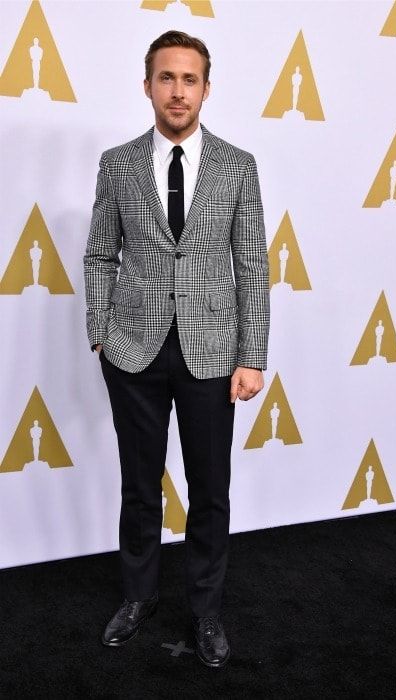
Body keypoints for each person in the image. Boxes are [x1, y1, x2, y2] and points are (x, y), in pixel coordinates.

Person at [83, 30, 270, 669]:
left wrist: (253, 355)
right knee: (140, 487)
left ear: (207, 89)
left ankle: (206, 611)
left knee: (210, 488)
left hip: (212, 351)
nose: (178, 91)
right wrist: (101, 331)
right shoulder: (117, 162)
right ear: (147, 85)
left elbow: (252, 264)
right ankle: (138, 597)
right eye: (167, 78)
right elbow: (100, 252)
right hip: (132, 349)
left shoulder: (238, 165)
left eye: (190, 79)